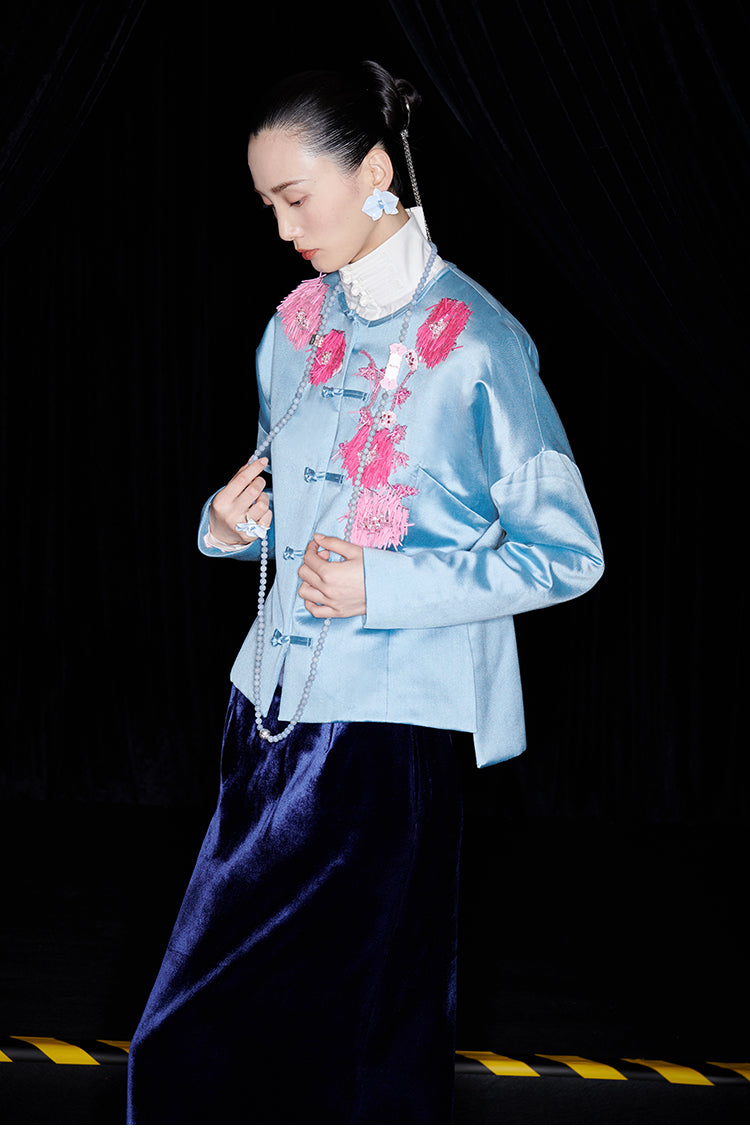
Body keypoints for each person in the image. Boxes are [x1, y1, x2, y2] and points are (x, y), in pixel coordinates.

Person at [126, 60, 603, 1124]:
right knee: (280, 1032)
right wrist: (229, 527)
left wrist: (382, 584)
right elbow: (291, 500)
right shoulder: (294, 328)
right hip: (264, 711)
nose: (283, 227)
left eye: (296, 197)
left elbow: (567, 554)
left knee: (318, 1028)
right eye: (268, 204)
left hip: (390, 736)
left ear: (376, 171)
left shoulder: (479, 342)